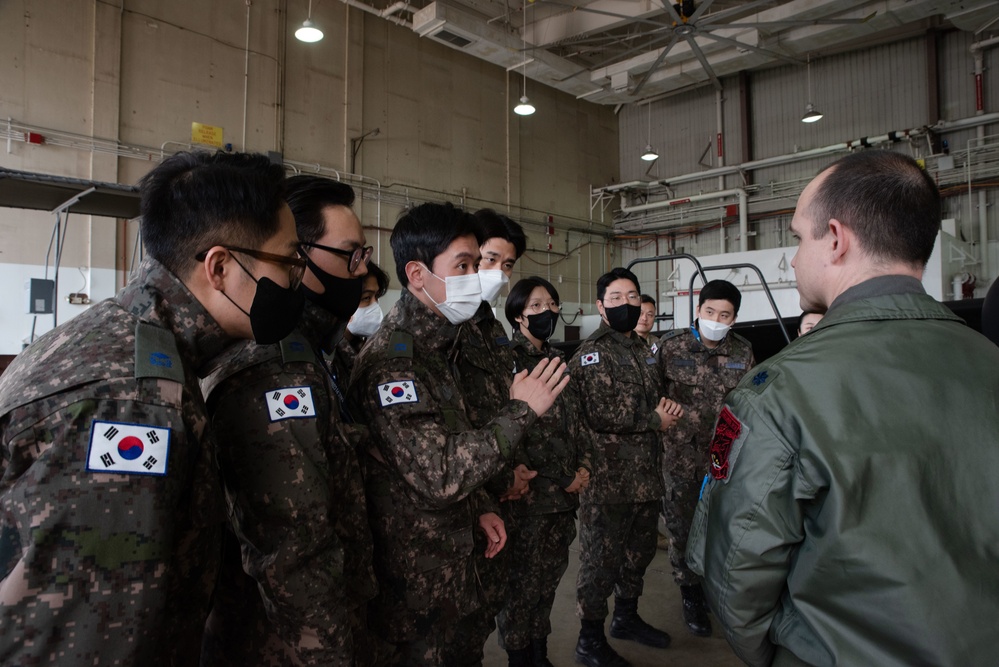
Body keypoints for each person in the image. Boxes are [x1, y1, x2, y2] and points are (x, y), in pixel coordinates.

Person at [686, 150, 999, 667]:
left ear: (835, 239)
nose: (792, 258)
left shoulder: (780, 390)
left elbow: (736, 573)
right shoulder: (988, 362)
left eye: (796, 238)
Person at [0, 151, 303, 665]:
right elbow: (98, 637)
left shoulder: (123, 340)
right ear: (222, 267)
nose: (298, 280)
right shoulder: (133, 398)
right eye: (289, 262)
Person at [347, 202, 570, 666]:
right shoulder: (394, 361)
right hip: (418, 578)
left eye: (480, 263)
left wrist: (481, 507)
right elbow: (440, 469)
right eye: (464, 266)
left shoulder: (444, 341)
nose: (479, 277)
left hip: (457, 553)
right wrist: (522, 411)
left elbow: (452, 436)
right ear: (418, 274)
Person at [198, 175, 379, 666]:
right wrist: (330, 653)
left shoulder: (321, 352)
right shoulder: (276, 366)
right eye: (350, 254)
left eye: (363, 255)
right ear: (298, 254)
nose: (362, 270)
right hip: (282, 643)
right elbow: (290, 550)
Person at [570, 267, 683, 667]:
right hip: (608, 481)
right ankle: (589, 639)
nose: (626, 304)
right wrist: (655, 419)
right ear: (601, 306)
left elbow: (656, 399)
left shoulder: (642, 350)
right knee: (601, 562)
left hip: (646, 476)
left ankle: (626, 618)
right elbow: (601, 412)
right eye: (616, 298)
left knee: (638, 554)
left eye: (632, 296)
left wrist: (665, 409)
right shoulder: (591, 354)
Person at [449, 208, 537, 667]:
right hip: (463, 492)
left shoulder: (488, 326)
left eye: (507, 265)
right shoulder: (445, 326)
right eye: (488, 260)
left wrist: (513, 470)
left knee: (484, 612)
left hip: (497, 482)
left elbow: (498, 405)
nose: (497, 274)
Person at [497, 276, 592, 667]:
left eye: (552, 305)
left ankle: (540, 654)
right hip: (532, 498)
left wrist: (584, 467)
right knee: (521, 588)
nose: (546, 312)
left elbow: (576, 423)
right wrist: (560, 476)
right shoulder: (508, 362)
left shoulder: (557, 360)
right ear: (518, 315)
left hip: (562, 501)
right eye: (536, 306)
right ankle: (521, 658)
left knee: (547, 585)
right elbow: (519, 435)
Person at [656, 279, 754, 638]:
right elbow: (651, 395)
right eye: (710, 312)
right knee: (681, 529)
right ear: (698, 311)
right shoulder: (670, 347)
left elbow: (748, 404)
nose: (716, 319)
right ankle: (690, 593)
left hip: (723, 460)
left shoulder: (743, 353)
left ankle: (713, 588)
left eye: (724, 314)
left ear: (734, 318)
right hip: (678, 457)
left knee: (720, 528)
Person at [335, 260, 390, 388]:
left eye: (376, 297)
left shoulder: (373, 349)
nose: (374, 305)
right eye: (366, 298)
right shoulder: (327, 353)